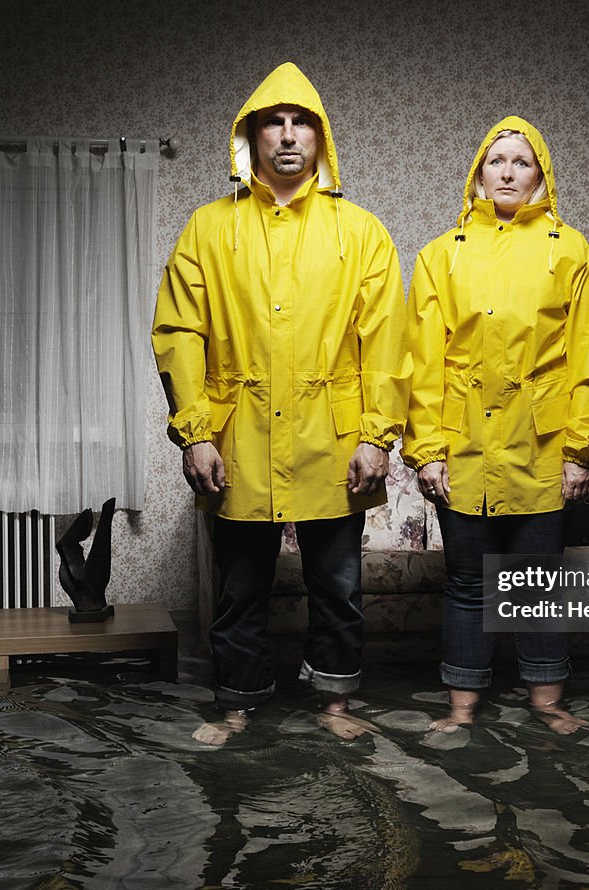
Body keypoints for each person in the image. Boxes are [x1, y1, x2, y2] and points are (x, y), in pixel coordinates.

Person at [152, 62, 410, 745]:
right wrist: (196, 433)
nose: (288, 135)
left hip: (335, 438)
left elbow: (387, 341)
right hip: (238, 441)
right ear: (252, 137)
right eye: (275, 121)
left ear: (321, 138)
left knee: (338, 586)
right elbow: (180, 334)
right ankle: (235, 703)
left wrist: (376, 437)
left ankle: (334, 703)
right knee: (240, 589)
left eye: (302, 122)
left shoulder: (362, 231)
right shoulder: (208, 229)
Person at [403, 116, 589, 735]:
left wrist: (583, 451)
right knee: (469, 583)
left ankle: (548, 704)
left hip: (543, 447)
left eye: (521, 162)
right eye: (496, 160)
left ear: (540, 176)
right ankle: (460, 708)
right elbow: (420, 364)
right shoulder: (440, 255)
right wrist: (426, 452)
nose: (507, 171)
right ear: (478, 174)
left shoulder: (571, 250)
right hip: (464, 447)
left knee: (537, 584)